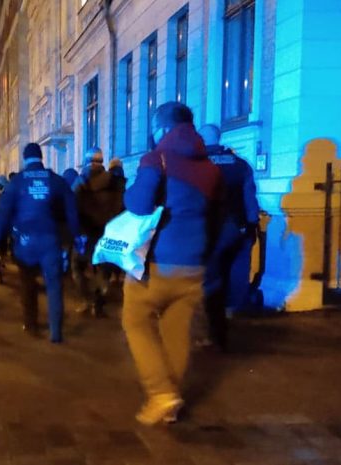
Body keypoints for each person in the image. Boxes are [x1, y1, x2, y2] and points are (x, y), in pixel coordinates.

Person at [122, 102, 221, 425]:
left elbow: (138, 204)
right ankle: (171, 403)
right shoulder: (210, 167)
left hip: (158, 262)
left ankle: (161, 392)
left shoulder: (157, 158)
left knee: (135, 320)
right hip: (194, 263)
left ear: (163, 129)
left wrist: (131, 190)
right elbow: (217, 216)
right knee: (176, 331)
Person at [0, 143, 83, 343]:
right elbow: (71, 211)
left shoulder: (16, 182)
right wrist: (76, 236)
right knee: (54, 284)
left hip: (25, 241)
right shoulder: (56, 180)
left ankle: (31, 324)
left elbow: (4, 213)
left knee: (27, 283)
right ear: (41, 157)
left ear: (25, 159)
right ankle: (55, 331)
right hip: (50, 239)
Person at [199, 124, 259, 350]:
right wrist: (251, 224)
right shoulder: (240, 164)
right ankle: (227, 316)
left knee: (209, 279)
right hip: (236, 228)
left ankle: (213, 331)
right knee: (232, 273)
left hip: (207, 229)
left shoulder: (197, 164)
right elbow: (249, 196)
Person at [72, 147, 125, 317]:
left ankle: (86, 299)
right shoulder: (114, 182)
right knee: (103, 268)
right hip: (107, 233)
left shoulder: (80, 182)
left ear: (87, 161)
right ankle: (99, 300)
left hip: (85, 233)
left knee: (77, 267)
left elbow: (72, 207)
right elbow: (121, 207)